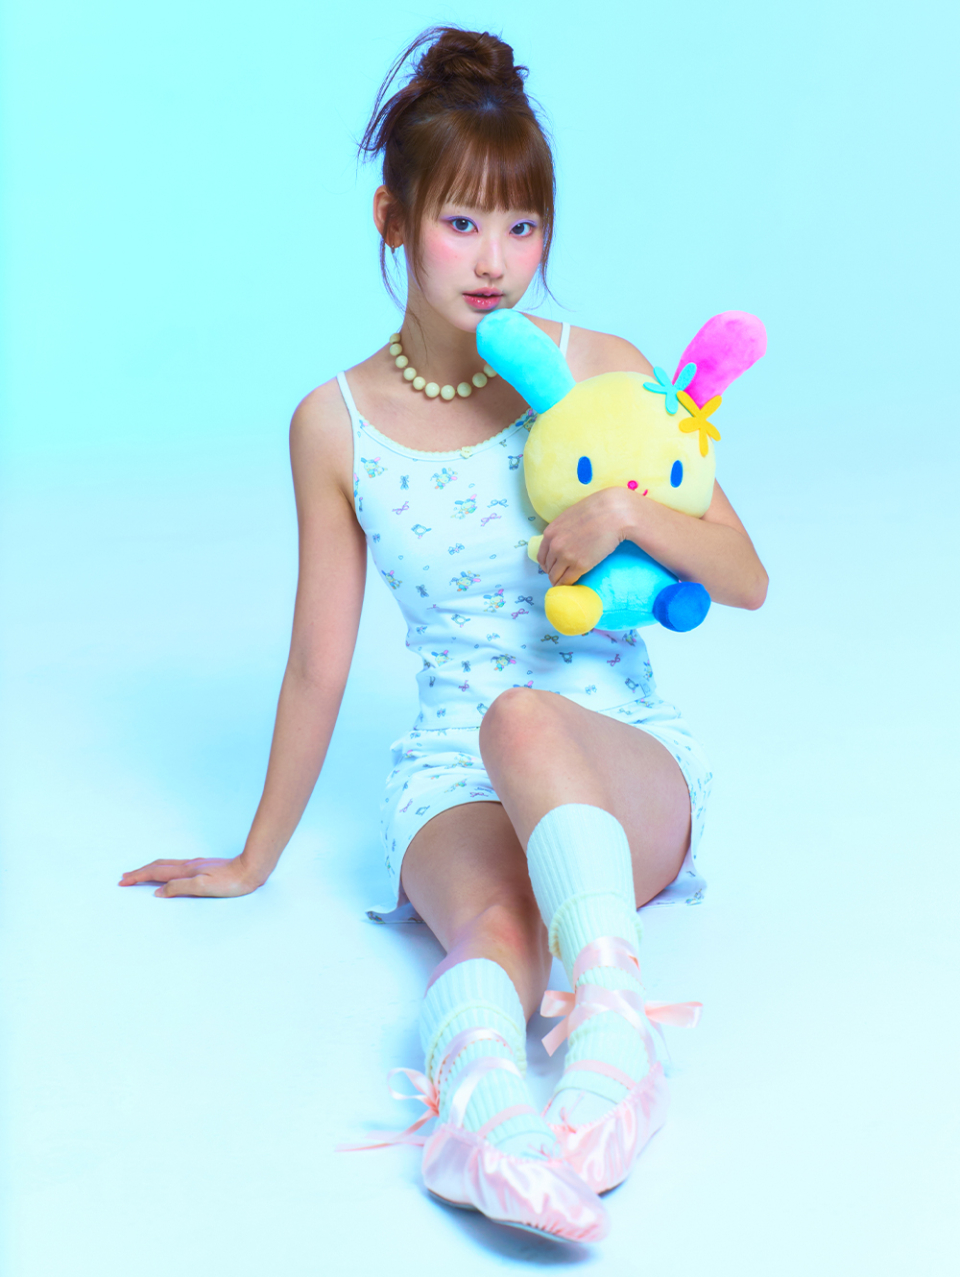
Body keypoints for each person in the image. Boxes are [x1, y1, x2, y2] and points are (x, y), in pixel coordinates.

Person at [119, 25, 768, 1244]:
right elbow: (317, 662)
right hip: (447, 769)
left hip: (616, 748)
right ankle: (480, 1126)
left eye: (523, 226)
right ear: (393, 220)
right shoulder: (334, 423)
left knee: (523, 716)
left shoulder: (602, 373)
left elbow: (747, 575)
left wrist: (630, 513)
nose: (496, 261)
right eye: (461, 223)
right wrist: (254, 857)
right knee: (490, 930)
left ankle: (617, 1046)